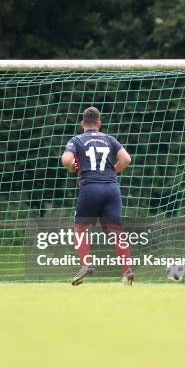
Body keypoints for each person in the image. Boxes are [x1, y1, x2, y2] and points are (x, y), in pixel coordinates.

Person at [61, 106, 133, 285]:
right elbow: (126, 159)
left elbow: (66, 160)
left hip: (90, 187)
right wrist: (112, 171)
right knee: (116, 232)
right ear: (99, 124)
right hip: (111, 188)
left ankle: (85, 264)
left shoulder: (76, 140)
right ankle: (127, 270)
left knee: (80, 228)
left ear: (82, 123)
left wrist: (71, 168)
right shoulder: (109, 139)